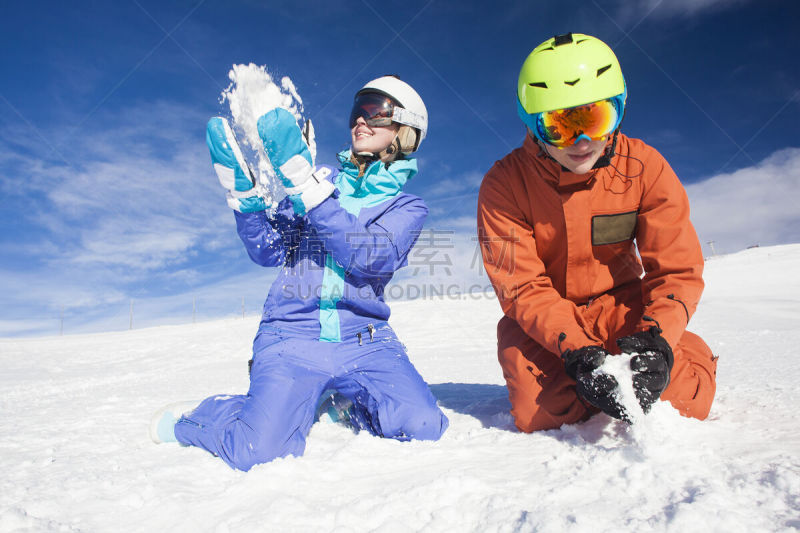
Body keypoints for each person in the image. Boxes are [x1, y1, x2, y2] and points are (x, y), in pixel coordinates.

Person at [150, 75, 448, 471]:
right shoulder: (319, 178)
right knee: (257, 451)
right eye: (358, 111)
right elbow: (269, 250)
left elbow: (371, 257)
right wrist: (247, 204)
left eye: (376, 112)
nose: (361, 121)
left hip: (366, 340)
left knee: (424, 426)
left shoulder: (406, 207)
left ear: (406, 130)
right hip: (291, 334)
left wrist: (309, 192)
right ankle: (213, 414)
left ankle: (341, 402)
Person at [477, 33, 718, 431]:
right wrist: (575, 350)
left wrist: (657, 339)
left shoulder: (644, 166)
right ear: (533, 125)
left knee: (685, 401)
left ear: (619, 109)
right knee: (540, 414)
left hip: (624, 308)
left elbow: (676, 269)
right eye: (559, 126)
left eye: (595, 118)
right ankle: (589, 378)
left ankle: (682, 354)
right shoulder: (504, 184)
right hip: (546, 323)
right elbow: (521, 286)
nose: (582, 141)